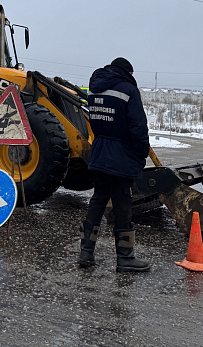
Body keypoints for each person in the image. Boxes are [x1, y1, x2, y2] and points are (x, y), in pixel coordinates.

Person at [79, 57, 151, 272]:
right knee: (122, 206)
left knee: (98, 200)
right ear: (128, 72)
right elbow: (138, 127)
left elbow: (94, 121)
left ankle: (86, 253)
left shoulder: (94, 89)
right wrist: (141, 154)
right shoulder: (128, 90)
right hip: (122, 157)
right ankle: (125, 257)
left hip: (99, 153)